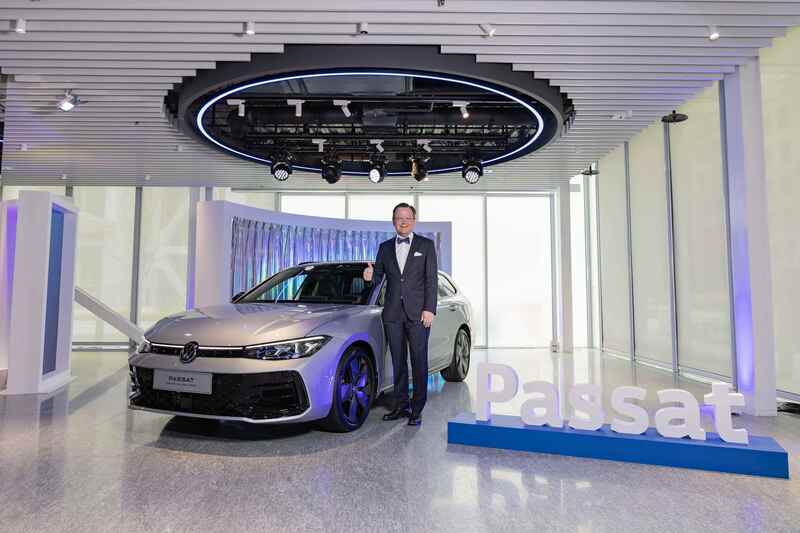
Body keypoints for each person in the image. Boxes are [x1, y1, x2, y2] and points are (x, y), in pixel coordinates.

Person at [363, 203, 437, 426]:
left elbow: (431, 280)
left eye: (407, 218)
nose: (403, 221)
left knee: (418, 360)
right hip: (393, 313)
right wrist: (369, 276)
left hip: (419, 313)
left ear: (413, 220)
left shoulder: (426, 245)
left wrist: (429, 309)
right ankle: (401, 405)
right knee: (398, 362)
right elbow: (378, 278)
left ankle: (417, 409)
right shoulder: (385, 247)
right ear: (393, 221)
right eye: (398, 218)